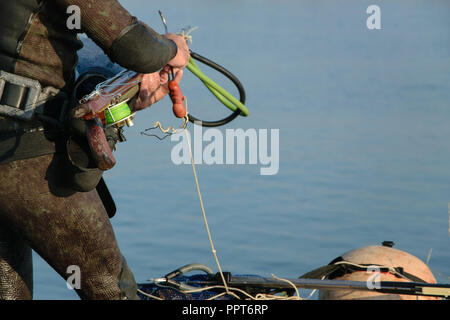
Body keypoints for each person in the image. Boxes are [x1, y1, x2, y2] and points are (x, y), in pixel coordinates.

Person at [0, 0, 190, 300]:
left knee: (8, 291)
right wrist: (172, 47)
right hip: (24, 149)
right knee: (110, 287)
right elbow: (138, 49)